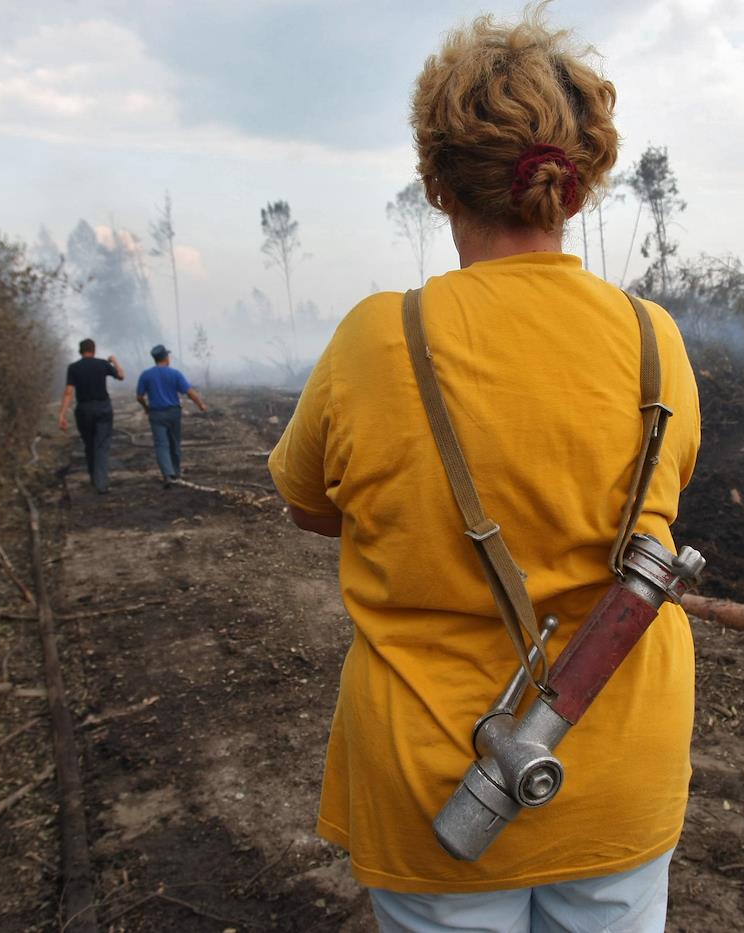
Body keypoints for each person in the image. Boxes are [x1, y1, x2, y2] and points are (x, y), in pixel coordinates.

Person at [268, 8, 701, 931]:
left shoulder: (375, 341)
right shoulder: (655, 342)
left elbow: (307, 504)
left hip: (436, 780)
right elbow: (646, 507)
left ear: (435, 184)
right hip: (621, 770)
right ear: (576, 189)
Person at [57, 338, 123, 494]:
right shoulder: (102, 364)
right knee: (102, 445)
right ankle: (101, 483)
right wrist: (114, 361)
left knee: (89, 444)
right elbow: (121, 376)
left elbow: (68, 392)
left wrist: (62, 415)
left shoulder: (73, 368)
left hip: (84, 409)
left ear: (80, 351)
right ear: (94, 350)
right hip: (103, 408)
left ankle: (94, 478)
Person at [136, 344, 207, 486]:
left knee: (161, 444)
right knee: (174, 443)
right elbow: (189, 392)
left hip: (156, 414)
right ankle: (176, 472)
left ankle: (167, 475)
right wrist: (201, 405)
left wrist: (146, 407)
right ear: (166, 358)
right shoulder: (175, 374)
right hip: (173, 412)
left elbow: (139, 396)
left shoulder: (146, 375)